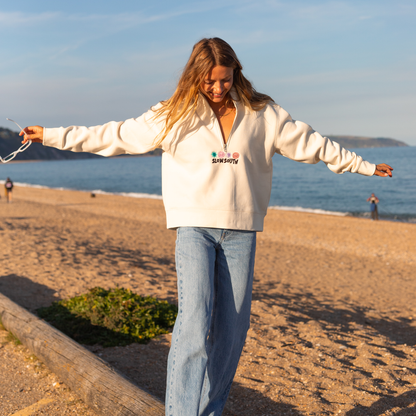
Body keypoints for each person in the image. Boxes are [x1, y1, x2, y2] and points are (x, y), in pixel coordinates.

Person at [21, 38, 393, 416]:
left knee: (232, 333)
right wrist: (50, 135)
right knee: (195, 324)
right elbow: (114, 135)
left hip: (241, 231)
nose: (218, 88)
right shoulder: (174, 114)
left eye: (225, 80)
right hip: (194, 228)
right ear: (195, 77)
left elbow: (312, 143)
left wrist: (361, 165)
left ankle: (209, 411)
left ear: (236, 74)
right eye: (209, 81)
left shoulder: (263, 113)